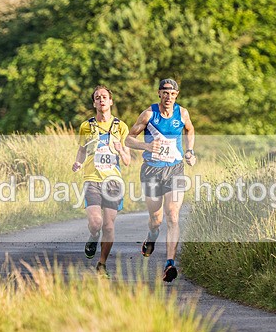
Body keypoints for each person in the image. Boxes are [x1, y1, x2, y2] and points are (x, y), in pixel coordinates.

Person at [125, 78, 196, 283]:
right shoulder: (149, 114)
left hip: (175, 169)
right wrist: (146, 147)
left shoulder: (182, 113)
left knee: (173, 215)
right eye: (165, 93)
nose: (168, 97)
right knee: (156, 219)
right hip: (152, 171)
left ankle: (169, 263)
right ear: (159, 93)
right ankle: (152, 235)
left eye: (172, 93)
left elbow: (189, 129)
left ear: (177, 95)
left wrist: (190, 151)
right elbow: (128, 139)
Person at [72, 85, 131, 276]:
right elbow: (82, 150)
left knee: (109, 225)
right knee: (96, 223)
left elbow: (128, 161)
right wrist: (78, 163)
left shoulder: (120, 127)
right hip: (92, 179)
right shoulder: (86, 126)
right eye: (97, 98)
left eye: (104, 97)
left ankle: (102, 264)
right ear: (94, 103)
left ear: (111, 101)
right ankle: (93, 235)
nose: (101, 100)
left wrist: (120, 149)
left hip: (113, 182)